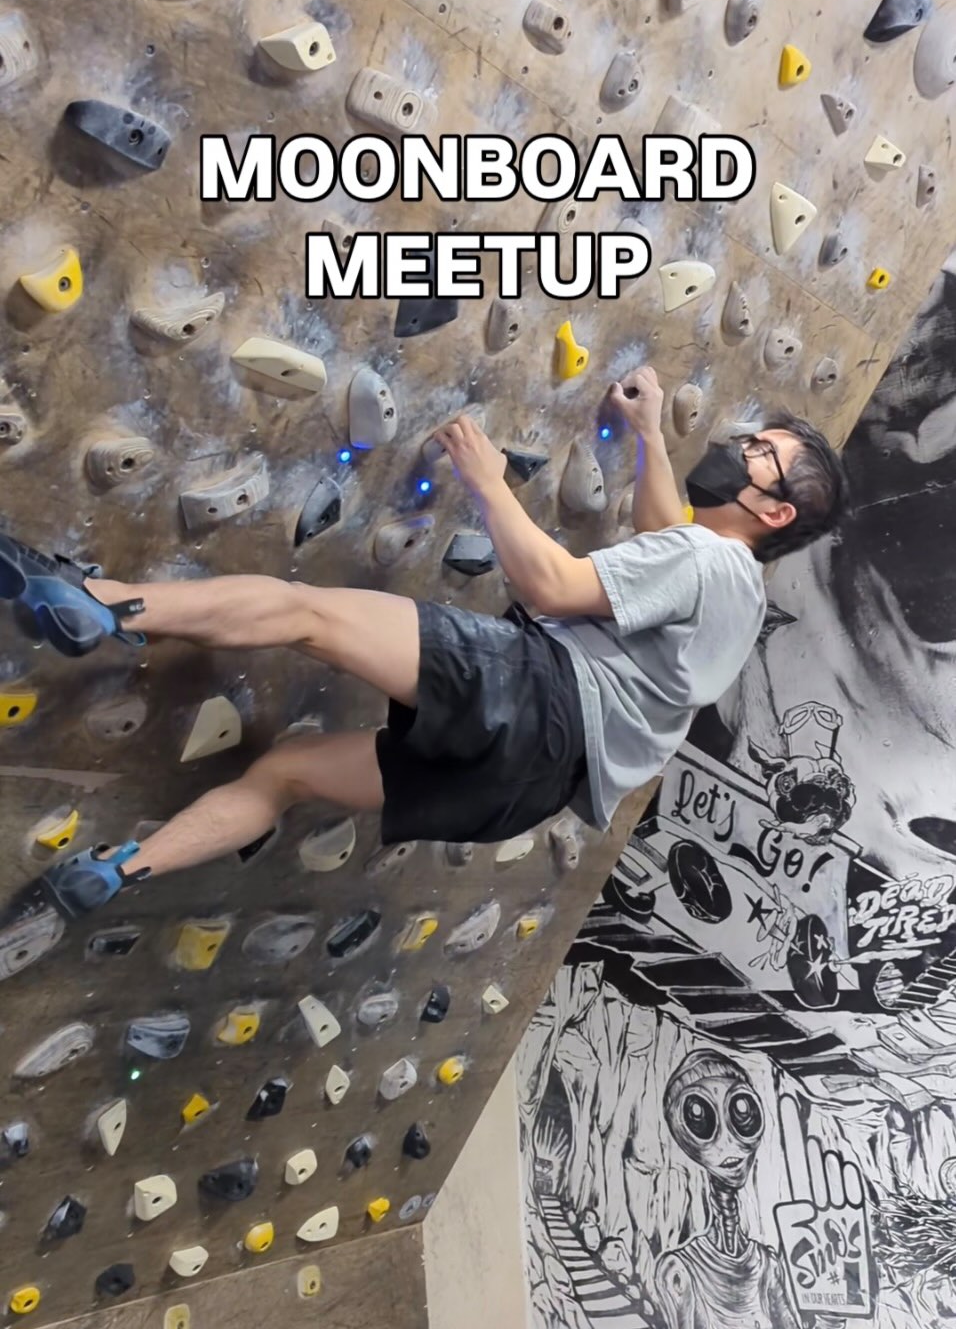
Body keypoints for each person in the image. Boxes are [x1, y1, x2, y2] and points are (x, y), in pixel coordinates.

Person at [0, 366, 848, 920]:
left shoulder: (709, 560)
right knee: (285, 774)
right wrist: (650, 435)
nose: (738, 450)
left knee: (304, 613)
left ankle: (97, 604)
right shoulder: (739, 592)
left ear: (775, 511)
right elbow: (666, 535)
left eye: (759, 455)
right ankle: (119, 870)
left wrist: (486, 481)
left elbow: (554, 587)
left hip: (535, 697)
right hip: (530, 787)